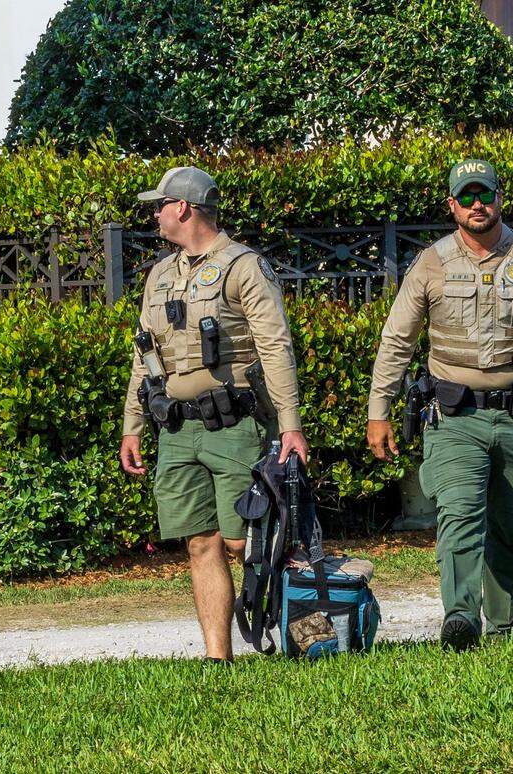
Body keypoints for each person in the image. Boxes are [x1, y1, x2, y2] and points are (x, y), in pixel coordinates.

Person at [366, 159, 513, 651]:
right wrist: (379, 410)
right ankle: (460, 619)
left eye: (484, 195)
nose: (476, 205)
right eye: (466, 197)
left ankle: (506, 623)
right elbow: (396, 341)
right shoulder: (431, 262)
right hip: (455, 418)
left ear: (499, 198)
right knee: (460, 516)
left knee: (511, 524)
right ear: (451, 204)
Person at [120, 166, 310, 662]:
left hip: (235, 424)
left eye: (159, 205)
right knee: (199, 543)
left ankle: (293, 629)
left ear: (182, 208)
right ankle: (216, 657)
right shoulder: (160, 276)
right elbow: (145, 358)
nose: (155, 215)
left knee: (240, 541)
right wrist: (133, 427)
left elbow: (275, 346)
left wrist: (290, 424)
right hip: (178, 428)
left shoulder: (244, 266)